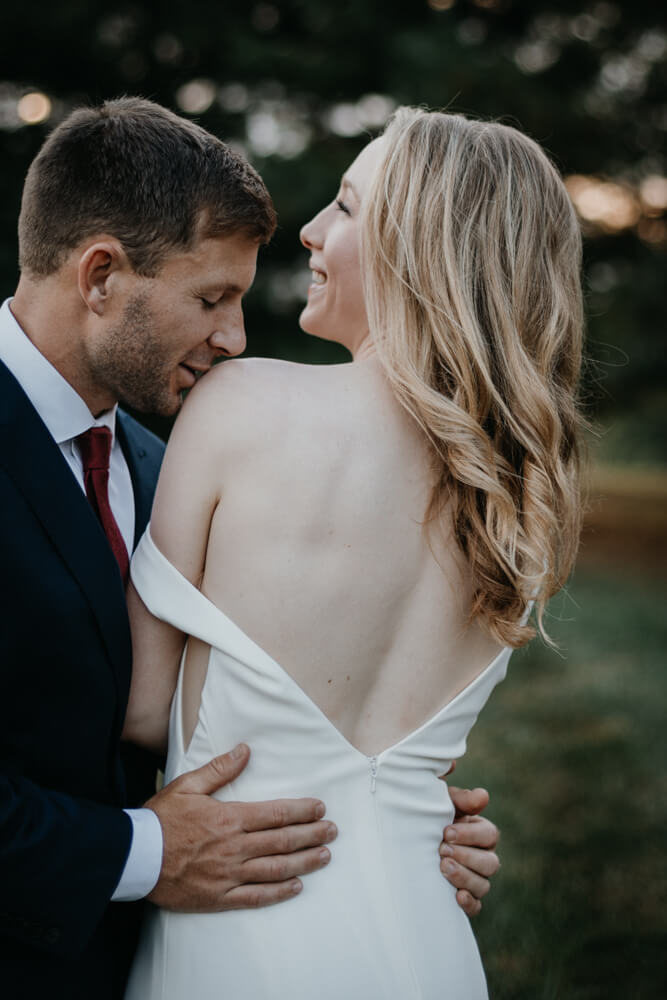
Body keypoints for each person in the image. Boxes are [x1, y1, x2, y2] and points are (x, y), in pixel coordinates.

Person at [0, 98, 496, 1000]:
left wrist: (410, 807)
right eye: (211, 299)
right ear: (100, 274)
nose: (231, 338)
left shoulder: (174, 461)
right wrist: (145, 852)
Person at [122, 106, 585, 999]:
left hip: (238, 934)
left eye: (344, 206)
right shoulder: (516, 496)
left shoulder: (239, 406)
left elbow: (144, 716)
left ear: (416, 250)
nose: (311, 229)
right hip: (427, 939)